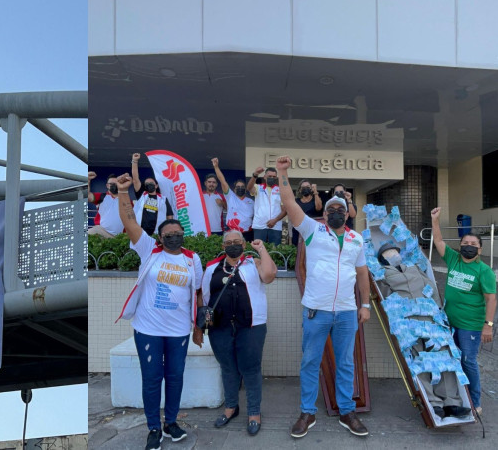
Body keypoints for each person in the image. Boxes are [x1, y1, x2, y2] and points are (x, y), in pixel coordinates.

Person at [275, 155, 371, 438]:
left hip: (346, 312)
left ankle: (346, 411)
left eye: (342, 208)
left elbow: (363, 273)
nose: (337, 212)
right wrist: (283, 173)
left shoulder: (356, 239)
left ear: (347, 212)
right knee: (310, 361)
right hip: (316, 310)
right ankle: (307, 412)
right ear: (326, 214)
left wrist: (364, 304)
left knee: (345, 362)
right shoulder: (313, 231)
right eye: (332, 210)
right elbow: (290, 204)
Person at [114, 172, 203, 449]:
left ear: (183, 235)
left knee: (175, 377)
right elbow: (129, 221)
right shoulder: (149, 249)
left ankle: (171, 422)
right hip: (148, 329)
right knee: (152, 379)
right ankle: (154, 427)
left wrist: (198, 328)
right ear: (160, 236)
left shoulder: (192, 259)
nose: (173, 238)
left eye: (178, 234)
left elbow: (197, 293)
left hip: (178, 330)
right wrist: (123, 192)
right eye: (168, 235)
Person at [195, 231, 276, 436]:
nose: (233, 245)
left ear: (243, 244)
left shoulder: (253, 263)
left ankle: (254, 412)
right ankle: (231, 407)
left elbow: (269, 275)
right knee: (228, 368)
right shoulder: (212, 267)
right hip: (220, 328)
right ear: (223, 247)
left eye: (237, 242)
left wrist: (262, 249)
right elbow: (204, 297)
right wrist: (199, 327)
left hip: (250, 326)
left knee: (250, 369)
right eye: (228, 243)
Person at [377, 244, 470, 419]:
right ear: (383, 258)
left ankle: (452, 401)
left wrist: (438, 311)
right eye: (390, 253)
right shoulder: (383, 273)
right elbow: (386, 297)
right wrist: (399, 317)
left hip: (429, 316)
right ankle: (433, 403)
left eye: (396, 252)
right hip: (407, 322)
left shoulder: (413, 267)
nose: (395, 255)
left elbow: (431, 288)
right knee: (419, 358)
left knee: (444, 356)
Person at [430, 207, 496, 416]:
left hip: (471, 326)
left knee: (468, 360)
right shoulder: (454, 259)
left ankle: (475, 401)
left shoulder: (483, 271)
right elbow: (439, 242)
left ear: (480, 248)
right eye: (465, 243)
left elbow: (491, 299)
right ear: (460, 246)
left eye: (473, 244)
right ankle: (455, 396)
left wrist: (489, 325)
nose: (468, 246)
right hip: (449, 322)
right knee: (451, 359)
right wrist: (435, 220)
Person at [212, 158, 255, 242]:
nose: (240, 188)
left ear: (245, 189)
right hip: (232, 232)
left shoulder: (251, 202)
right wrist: (216, 167)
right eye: (238, 187)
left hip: (248, 233)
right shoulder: (230, 197)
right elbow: (222, 181)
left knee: (247, 253)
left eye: (242, 187)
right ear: (234, 189)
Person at [131, 153, 174, 236]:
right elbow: (135, 179)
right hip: (140, 232)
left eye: (151, 183)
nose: (149, 185)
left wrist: (169, 231)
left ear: (156, 185)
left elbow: (169, 216)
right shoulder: (142, 195)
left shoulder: (163, 199)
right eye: (147, 184)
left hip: (157, 233)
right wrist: (135, 161)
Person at [247, 166, 286, 245]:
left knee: (275, 250)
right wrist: (255, 174)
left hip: (275, 226)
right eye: (269, 176)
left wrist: (275, 220)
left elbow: (285, 210)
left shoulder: (280, 190)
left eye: (274, 177)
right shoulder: (258, 187)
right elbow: (249, 188)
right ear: (264, 177)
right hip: (259, 225)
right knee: (259, 249)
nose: (272, 178)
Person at [88, 171, 127, 238]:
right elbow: (88, 196)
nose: (114, 185)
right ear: (107, 185)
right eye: (111, 184)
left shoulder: (126, 200)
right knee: (89, 234)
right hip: (102, 231)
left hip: (120, 236)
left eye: (116, 183)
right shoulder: (102, 196)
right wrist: (88, 180)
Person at [291, 180, 322, 247]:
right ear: (299, 190)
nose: (305, 189)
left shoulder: (315, 200)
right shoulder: (296, 201)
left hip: (312, 231)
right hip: (298, 231)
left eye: (308, 187)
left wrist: (315, 192)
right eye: (303, 187)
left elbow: (319, 208)